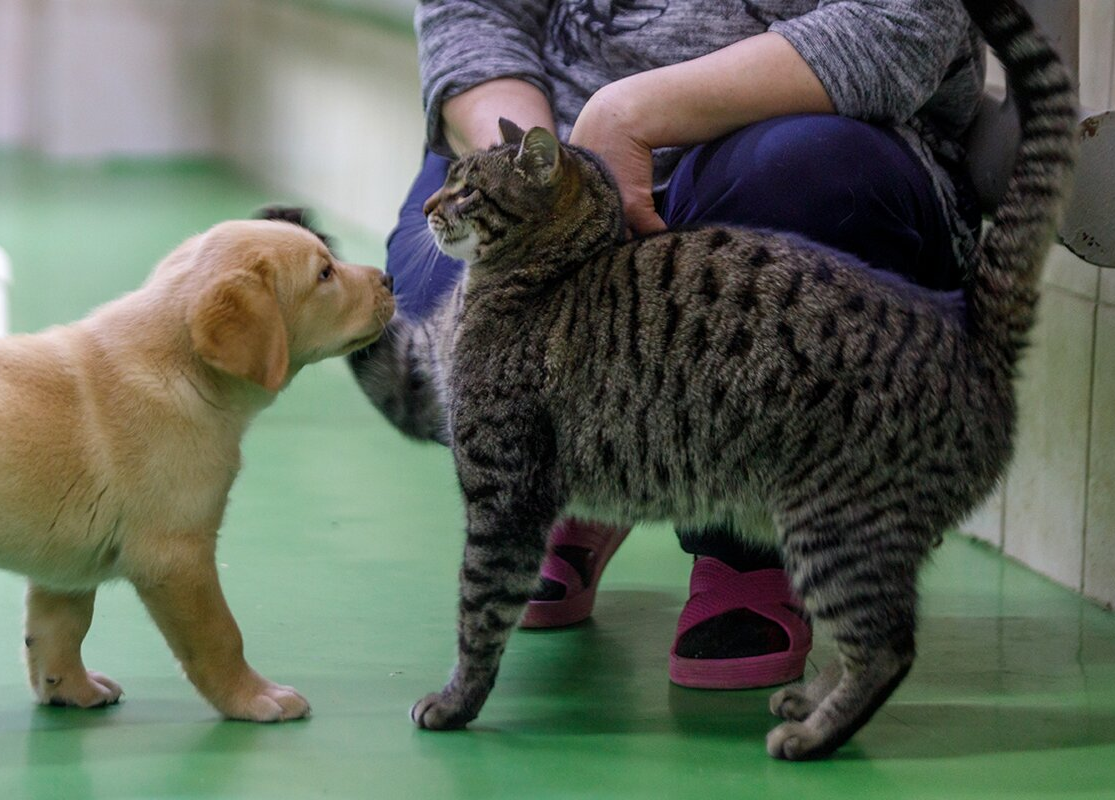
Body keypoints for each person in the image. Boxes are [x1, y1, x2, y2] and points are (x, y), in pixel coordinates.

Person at [388, 0, 984, 689]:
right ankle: (569, 481)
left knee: (807, 188)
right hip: (558, 139)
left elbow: (905, 19)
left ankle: (750, 549)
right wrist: (546, 181)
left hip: (803, 127)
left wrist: (634, 113)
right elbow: (472, 15)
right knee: (432, 301)